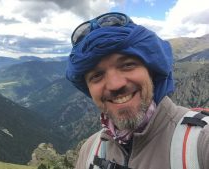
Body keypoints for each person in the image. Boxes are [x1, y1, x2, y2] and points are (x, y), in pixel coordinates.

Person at [66, 12, 209, 169]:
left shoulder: (202, 141)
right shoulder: (89, 151)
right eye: (97, 75)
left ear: (151, 70)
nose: (115, 84)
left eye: (127, 65)